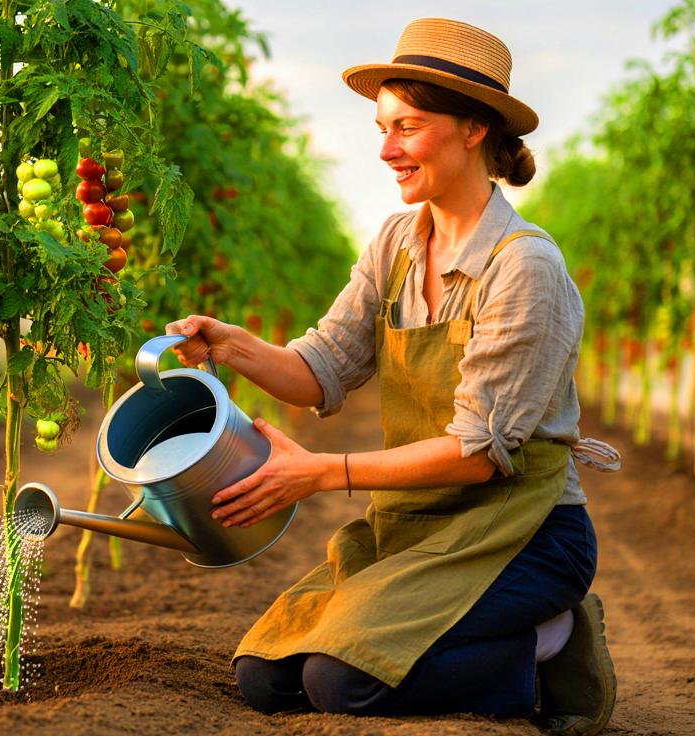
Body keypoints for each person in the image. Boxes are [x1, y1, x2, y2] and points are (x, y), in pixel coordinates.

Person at [165, 18, 620, 736]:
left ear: (473, 128)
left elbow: (476, 454)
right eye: (383, 128)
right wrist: (235, 345)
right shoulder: (397, 243)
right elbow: (320, 369)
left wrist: (321, 472)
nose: (386, 150)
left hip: (524, 533)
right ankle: (489, 643)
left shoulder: (522, 265)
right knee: (266, 676)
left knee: (343, 680)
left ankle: (548, 643)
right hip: (419, 522)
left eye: (407, 127)